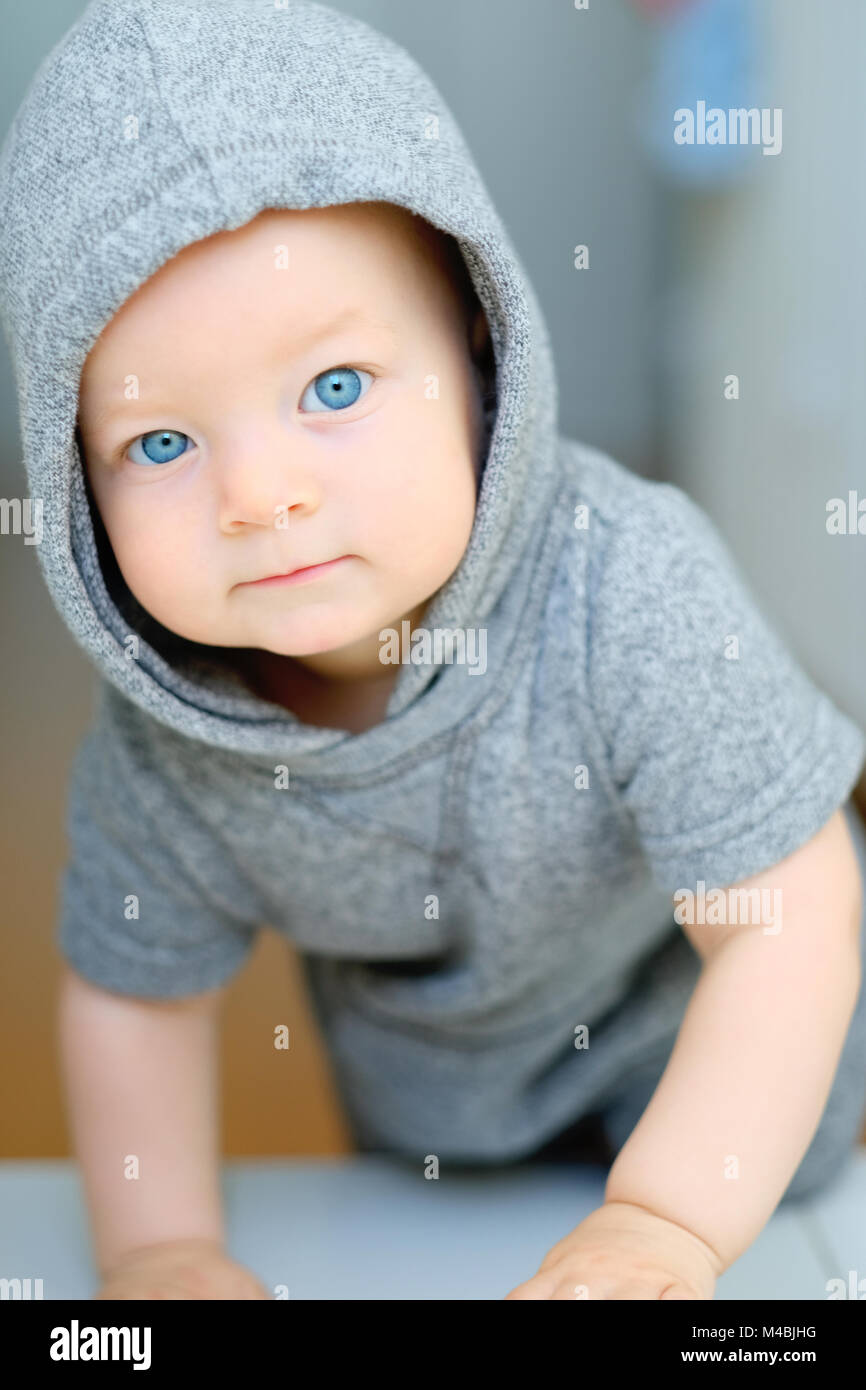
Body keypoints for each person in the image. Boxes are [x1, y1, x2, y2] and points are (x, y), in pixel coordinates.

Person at [1, 0, 864, 1301]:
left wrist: (665, 1225)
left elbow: (788, 915)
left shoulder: (628, 584)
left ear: (477, 352)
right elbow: (137, 996)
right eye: (160, 444)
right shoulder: (167, 741)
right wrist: (159, 1249)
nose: (260, 494)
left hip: (736, 1066)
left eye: (333, 388)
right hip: (437, 1128)